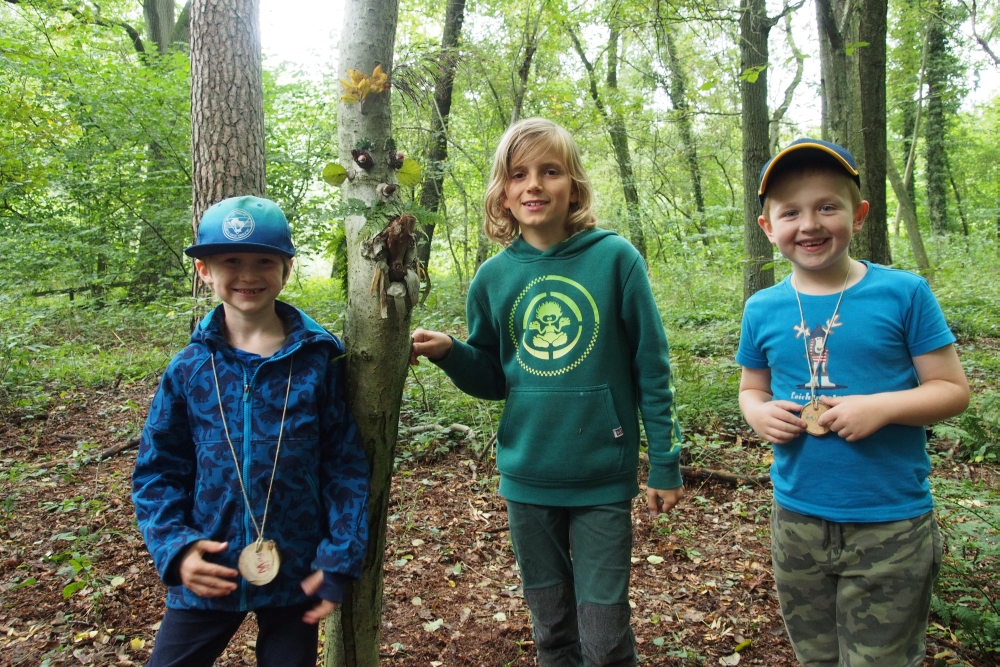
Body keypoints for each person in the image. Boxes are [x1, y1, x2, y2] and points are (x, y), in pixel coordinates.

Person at [410, 118, 684, 667]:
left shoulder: (615, 260)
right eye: (519, 174)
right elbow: (493, 378)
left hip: (602, 474)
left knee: (605, 637)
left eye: (550, 171)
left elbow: (651, 368)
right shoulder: (492, 277)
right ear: (503, 194)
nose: (534, 184)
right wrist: (450, 353)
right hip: (528, 475)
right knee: (552, 626)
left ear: (573, 187)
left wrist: (665, 463)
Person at [736, 138, 970, 666]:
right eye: (790, 212)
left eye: (827, 206)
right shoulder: (763, 307)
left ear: (858, 214)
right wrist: (757, 412)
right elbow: (752, 387)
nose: (810, 224)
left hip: (890, 520)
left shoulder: (903, 294)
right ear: (768, 227)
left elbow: (952, 390)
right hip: (797, 518)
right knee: (816, 655)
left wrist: (881, 407)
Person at [132, 196, 369, 667]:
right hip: (211, 566)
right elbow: (156, 472)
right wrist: (176, 550)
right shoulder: (189, 369)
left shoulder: (319, 362)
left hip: (295, 571)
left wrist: (338, 560)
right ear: (204, 270)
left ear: (285, 269)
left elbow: (344, 467)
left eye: (264, 260)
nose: (247, 274)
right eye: (230, 261)